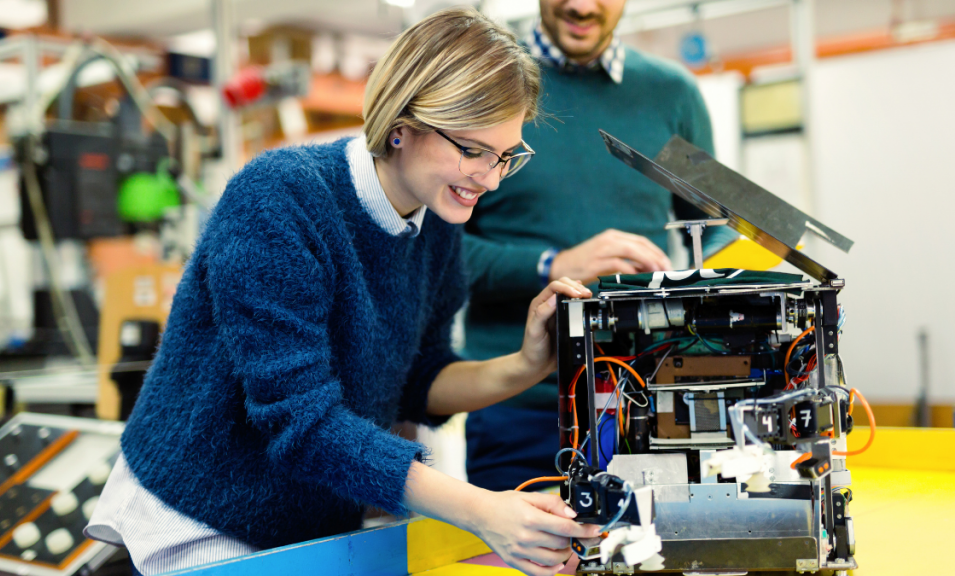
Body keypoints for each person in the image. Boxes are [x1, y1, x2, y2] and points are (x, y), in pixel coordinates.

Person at [84, 8, 601, 576]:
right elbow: (302, 424)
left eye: (506, 156)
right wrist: (482, 511)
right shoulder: (280, 200)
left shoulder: (436, 226)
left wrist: (528, 363)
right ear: (402, 124)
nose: (492, 178)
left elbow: (419, 381)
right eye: (472, 151)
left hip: (308, 517)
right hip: (203, 511)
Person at [462, 0, 737, 491]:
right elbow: (438, 254)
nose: (582, 6)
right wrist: (553, 265)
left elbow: (717, 224)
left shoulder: (672, 94)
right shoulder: (485, 83)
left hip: (642, 395)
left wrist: (703, 284)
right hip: (518, 402)